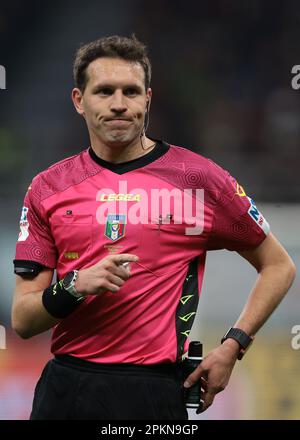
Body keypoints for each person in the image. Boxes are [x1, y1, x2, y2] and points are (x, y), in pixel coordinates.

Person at [12, 35, 296, 420]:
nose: (118, 104)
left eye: (130, 91)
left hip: (155, 392)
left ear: (147, 98)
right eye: (104, 91)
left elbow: (279, 266)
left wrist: (233, 346)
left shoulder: (198, 179)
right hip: (67, 390)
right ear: (79, 100)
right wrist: (75, 286)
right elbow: (24, 320)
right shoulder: (48, 187)